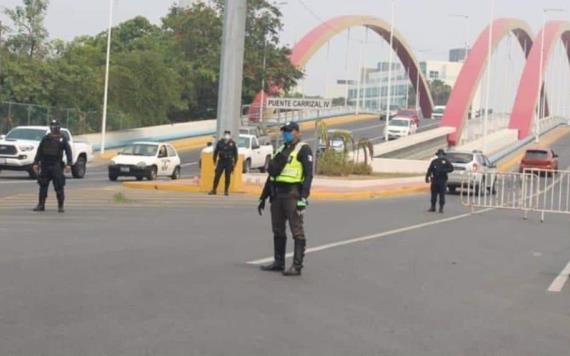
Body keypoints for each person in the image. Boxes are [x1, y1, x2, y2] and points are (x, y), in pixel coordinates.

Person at [257, 122, 314, 276]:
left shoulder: (303, 149)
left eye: (289, 131)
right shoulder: (282, 149)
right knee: (278, 230)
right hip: (277, 194)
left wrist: (303, 197)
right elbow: (272, 175)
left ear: (297, 132)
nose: (286, 134)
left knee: (297, 230)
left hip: (292, 194)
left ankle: (297, 265)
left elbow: (308, 176)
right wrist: (263, 197)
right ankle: (279, 262)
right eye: (284, 132)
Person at [32, 120, 73, 213]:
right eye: (52, 126)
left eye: (55, 126)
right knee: (43, 185)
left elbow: (68, 151)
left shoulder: (62, 138)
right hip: (45, 165)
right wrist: (35, 163)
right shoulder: (46, 138)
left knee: (59, 186)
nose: (54, 128)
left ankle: (60, 206)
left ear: (59, 127)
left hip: (56, 165)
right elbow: (39, 151)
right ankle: (41, 205)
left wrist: (69, 164)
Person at [209, 130, 238, 196]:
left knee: (227, 176)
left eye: (228, 134)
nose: (226, 135)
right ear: (223, 135)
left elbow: (235, 154)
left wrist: (235, 163)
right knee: (217, 175)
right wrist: (214, 161)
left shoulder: (233, 143)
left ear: (230, 135)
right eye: (225, 134)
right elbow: (216, 152)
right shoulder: (220, 142)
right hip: (221, 161)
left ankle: (226, 190)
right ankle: (214, 189)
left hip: (229, 161)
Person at [425, 149, 454, 213]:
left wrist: (444, 170)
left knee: (442, 195)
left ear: (443, 155)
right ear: (437, 155)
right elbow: (430, 170)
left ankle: (441, 208)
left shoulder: (446, 161)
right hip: (435, 180)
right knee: (433, 194)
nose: (440, 156)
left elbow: (451, 169)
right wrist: (427, 177)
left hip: (442, 180)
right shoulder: (434, 161)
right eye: (439, 155)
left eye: (441, 154)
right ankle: (433, 207)